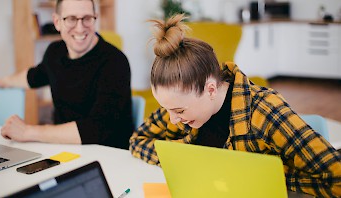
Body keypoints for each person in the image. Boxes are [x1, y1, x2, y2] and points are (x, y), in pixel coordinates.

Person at [129, 14, 341, 197]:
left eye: (179, 111)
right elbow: (138, 140)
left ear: (210, 89)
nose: (172, 118)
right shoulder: (182, 106)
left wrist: (269, 177)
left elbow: (335, 177)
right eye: (167, 109)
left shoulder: (265, 111)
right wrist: (185, 160)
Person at [0, 0, 133, 149]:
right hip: (64, 150)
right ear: (57, 22)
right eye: (71, 19)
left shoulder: (115, 62)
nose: (80, 28)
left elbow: (96, 129)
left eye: (87, 18)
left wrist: (27, 131)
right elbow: (34, 76)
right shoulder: (55, 52)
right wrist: (0, 82)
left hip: (108, 156)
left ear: (95, 18)